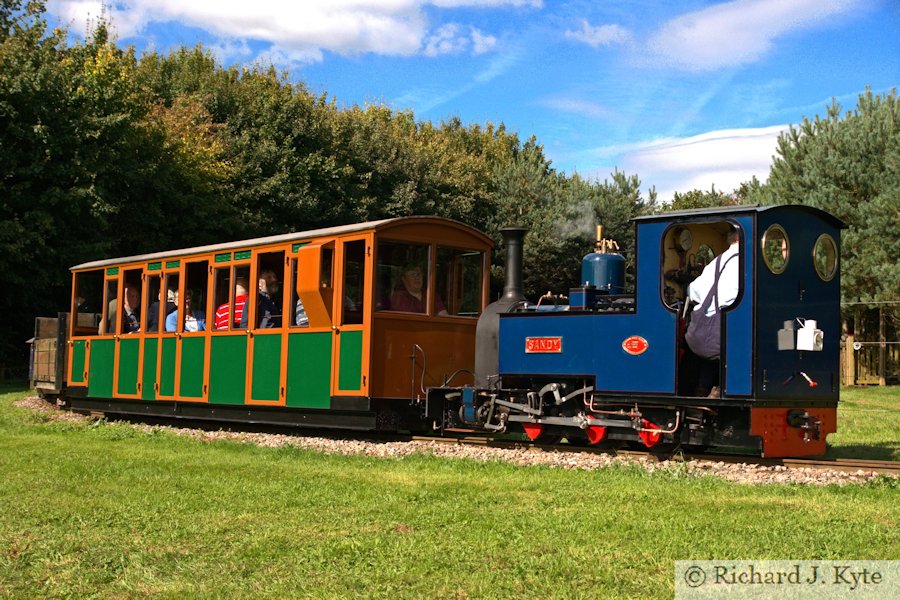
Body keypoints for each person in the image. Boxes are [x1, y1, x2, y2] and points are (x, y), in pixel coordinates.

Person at [686, 226, 740, 398]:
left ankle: (703, 388)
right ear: (740, 238)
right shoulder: (745, 262)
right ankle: (720, 388)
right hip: (727, 333)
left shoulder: (716, 262)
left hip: (708, 333)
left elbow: (693, 290)